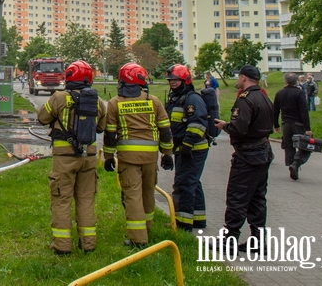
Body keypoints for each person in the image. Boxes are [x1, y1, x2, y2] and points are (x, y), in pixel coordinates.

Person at [37, 60, 107, 255]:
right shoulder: (97, 101)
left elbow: (42, 118)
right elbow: (101, 127)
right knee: (86, 200)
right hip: (89, 158)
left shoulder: (59, 97)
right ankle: (88, 244)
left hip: (65, 158)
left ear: (68, 77)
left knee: (62, 200)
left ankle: (62, 246)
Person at [103, 63, 173, 248]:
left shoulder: (115, 103)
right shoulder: (154, 101)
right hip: (151, 158)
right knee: (147, 192)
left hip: (128, 158)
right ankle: (147, 229)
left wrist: (108, 157)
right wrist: (167, 154)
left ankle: (138, 239)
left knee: (132, 195)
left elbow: (110, 134)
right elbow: (165, 130)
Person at [213, 65, 274, 254]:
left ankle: (230, 240)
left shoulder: (245, 99)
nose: (237, 80)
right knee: (257, 198)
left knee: (237, 197)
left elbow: (240, 128)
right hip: (263, 151)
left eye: (238, 77)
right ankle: (258, 241)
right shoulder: (264, 96)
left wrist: (225, 126)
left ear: (244, 78)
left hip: (247, 155)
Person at [164, 64, 210, 231]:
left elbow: (198, 124)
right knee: (193, 182)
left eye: (176, 80)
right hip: (184, 148)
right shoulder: (176, 99)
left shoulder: (192, 99)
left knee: (184, 184)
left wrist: (187, 145)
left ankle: (183, 223)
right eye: (170, 80)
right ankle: (198, 219)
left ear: (185, 80)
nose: (172, 83)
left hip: (193, 148)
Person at [272, 72, 312, 181]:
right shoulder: (299, 93)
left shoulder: (279, 93)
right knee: (305, 146)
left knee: (289, 146)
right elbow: (304, 111)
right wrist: (307, 128)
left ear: (285, 81)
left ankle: (291, 164)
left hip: (286, 124)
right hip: (298, 124)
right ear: (296, 81)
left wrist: (276, 125)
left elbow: (275, 111)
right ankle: (296, 163)